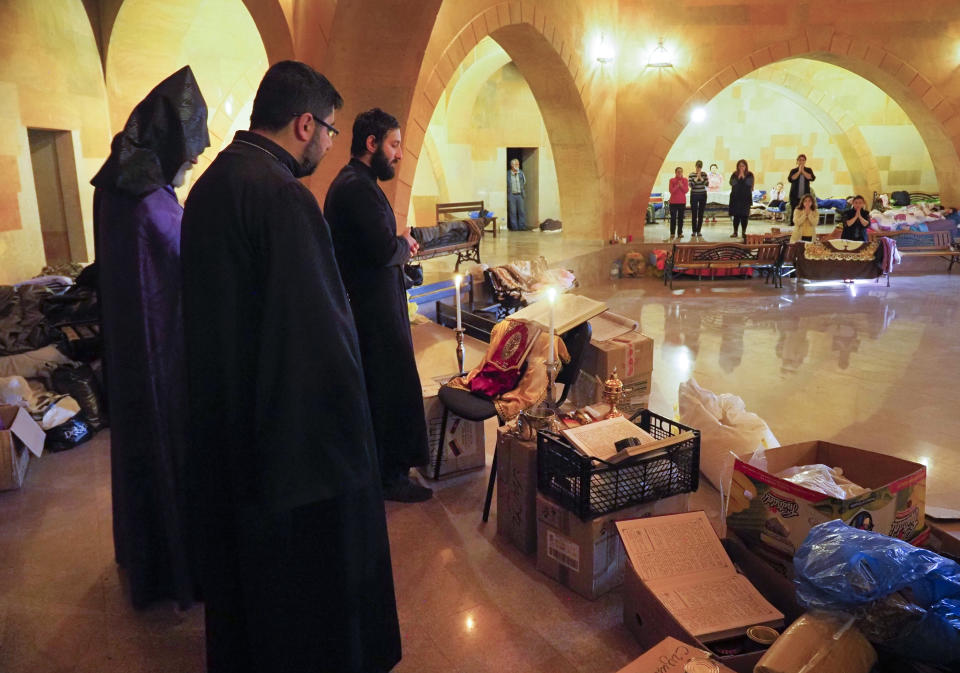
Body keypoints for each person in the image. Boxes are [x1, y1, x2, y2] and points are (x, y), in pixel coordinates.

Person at [180, 61, 401, 673]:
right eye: (328, 131)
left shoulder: (212, 184)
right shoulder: (283, 197)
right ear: (305, 124)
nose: (331, 144)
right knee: (303, 600)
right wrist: (353, 441)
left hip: (228, 423)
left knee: (246, 589)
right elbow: (318, 337)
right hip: (291, 444)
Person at [91, 66, 209, 610]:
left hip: (134, 350)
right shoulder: (149, 202)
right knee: (168, 449)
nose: (192, 161)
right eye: (189, 152)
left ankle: (146, 553)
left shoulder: (119, 184)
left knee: (141, 447)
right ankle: (170, 566)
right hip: (163, 354)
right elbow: (184, 262)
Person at [325, 108, 433, 503]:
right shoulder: (356, 187)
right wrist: (402, 244)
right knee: (388, 390)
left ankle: (389, 470)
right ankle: (391, 477)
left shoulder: (359, 182)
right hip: (372, 315)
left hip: (374, 306)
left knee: (385, 387)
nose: (400, 154)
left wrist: (398, 244)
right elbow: (384, 248)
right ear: (371, 144)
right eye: (394, 144)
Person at [728, 159, 754, 239]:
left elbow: (749, 183)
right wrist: (738, 177)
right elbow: (731, 183)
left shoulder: (749, 174)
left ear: (746, 166)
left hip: (745, 199)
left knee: (744, 216)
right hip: (736, 198)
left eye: (743, 166)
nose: (741, 167)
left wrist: (744, 177)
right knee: (736, 216)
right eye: (739, 166)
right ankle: (735, 232)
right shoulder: (734, 174)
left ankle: (743, 232)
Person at [667, 166, 689, 242]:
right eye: (678, 171)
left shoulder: (685, 180)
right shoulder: (672, 180)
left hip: (682, 202)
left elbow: (686, 190)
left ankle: (680, 233)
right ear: (675, 172)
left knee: (680, 218)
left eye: (681, 171)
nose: (680, 173)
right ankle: (672, 233)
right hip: (673, 202)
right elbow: (671, 191)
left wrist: (681, 185)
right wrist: (677, 186)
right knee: (673, 218)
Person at [688, 160, 708, 239]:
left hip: (703, 195)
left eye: (700, 167)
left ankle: (699, 231)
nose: (698, 169)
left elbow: (707, 184)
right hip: (694, 195)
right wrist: (696, 178)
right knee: (694, 213)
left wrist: (701, 178)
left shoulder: (704, 174)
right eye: (697, 167)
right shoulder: (691, 174)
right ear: (695, 166)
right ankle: (694, 231)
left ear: (701, 167)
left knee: (701, 213)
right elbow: (691, 185)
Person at [507, 158, 528, 230]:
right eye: (516, 164)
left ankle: (522, 227)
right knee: (513, 212)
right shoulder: (508, 173)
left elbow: (524, 182)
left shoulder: (521, 173)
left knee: (521, 211)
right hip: (512, 195)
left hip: (520, 195)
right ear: (512, 165)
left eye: (518, 164)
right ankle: (514, 228)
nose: (518, 165)